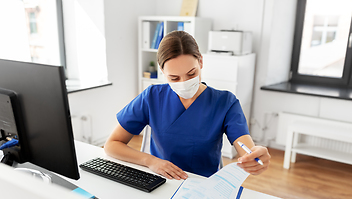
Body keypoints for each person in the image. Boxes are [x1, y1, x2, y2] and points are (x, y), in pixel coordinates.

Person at [104, 31, 270, 180]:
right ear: (162, 71)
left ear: (201, 62)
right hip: (160, 180)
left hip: (204, 185)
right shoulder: (152, 97)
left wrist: (254, 158)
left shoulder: (226, 102)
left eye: (192, 74)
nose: (184, 83)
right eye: (174, 78)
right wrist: (150, 161)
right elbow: (112, 144)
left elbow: (246, 148)